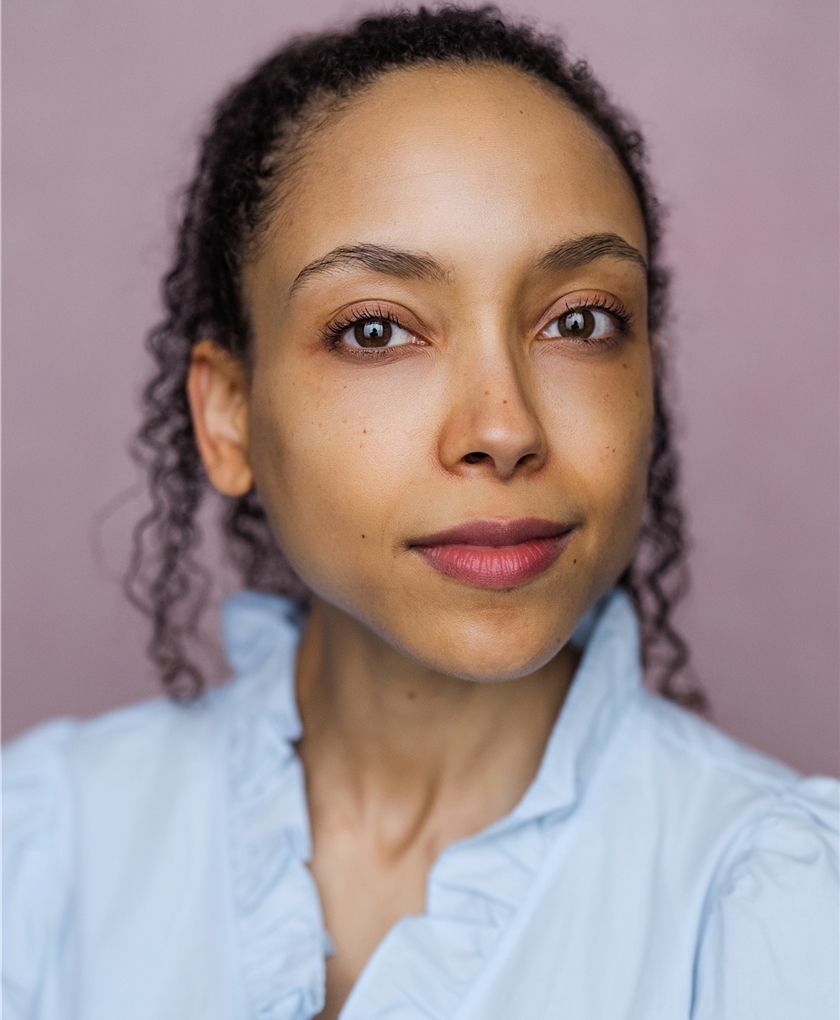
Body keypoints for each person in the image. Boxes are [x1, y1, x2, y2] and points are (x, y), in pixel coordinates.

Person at [4, 7, 837, 1019]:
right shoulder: (40, 852)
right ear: (227, 416)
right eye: (375, 331)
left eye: (580, 321)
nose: (504, 427)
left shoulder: (784, 908)